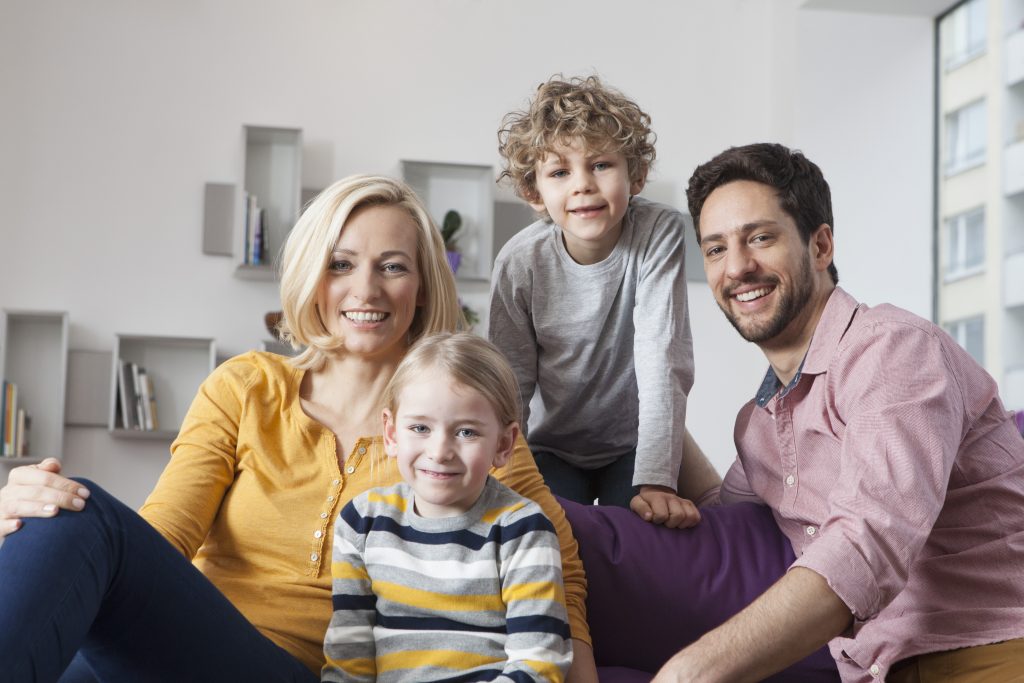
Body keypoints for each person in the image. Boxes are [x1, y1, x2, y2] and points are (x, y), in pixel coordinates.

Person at [0, 175, 596, 682]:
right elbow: (164, 536)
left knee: (82, 521)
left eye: (392, 267)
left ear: (421, 289)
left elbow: (560, 574)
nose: (365, 289)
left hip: (306, 670)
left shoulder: (459, 431)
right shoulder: (246, 387)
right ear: (313, 276)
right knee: (68, 511)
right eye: (341, 264)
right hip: (183, 646)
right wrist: (50, 517)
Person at [652, 143, 1024, 682]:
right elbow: (724, 525)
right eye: (715, 249)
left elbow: (870, 540)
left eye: (760, 238)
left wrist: (690, 671)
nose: (736, 267)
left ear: (820, 244)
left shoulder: (892, 351)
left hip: (993, 647)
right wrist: (649, 398)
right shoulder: (759, 425)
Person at [491, 74, 697, 526]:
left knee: (644, 535)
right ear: (534, 192)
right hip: (552, 447)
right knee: (550, 533)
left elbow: (662, 354)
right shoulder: (518, 262)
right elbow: (511, 381)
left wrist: (657, 479)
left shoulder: (658, 233)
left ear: (636, 175)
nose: (582, 184)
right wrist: (504, 475)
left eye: (601, 164)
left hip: (633, 446)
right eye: (559, 172)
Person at [323, 332, 572, 682]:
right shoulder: (361, 521)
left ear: (503, 445)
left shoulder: (523, 529)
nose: (440, 452)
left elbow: (539, 662)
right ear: (392, 434)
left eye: (467, 432)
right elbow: (350, 655)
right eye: (420, 428)